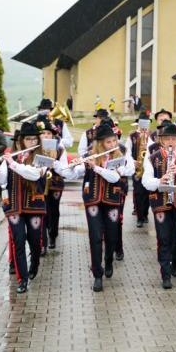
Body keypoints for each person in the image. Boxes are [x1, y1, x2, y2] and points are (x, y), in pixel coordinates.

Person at [56, 124, 135, 292]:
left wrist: (97, 167)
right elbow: (72, 174)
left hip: (112, 200)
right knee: (95, 236)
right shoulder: (88, 156)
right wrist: (70, 167)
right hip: (92, 200)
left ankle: (108, 261)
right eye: (109, 142)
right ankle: (97, 274)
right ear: (100, 144)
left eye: (114, 141)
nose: (113, 144)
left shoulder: (119, 157)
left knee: (112, 236)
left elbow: (114, 177)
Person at [0, 122, 48, 294]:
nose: (30, 142)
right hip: (14, 206)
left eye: (33, 139)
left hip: (34, 205)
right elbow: (2, 181)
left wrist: (12, 164)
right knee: (18, 241)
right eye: (27, 139)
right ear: (21, 140)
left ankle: (34, 263)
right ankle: (22, 280)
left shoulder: (43, 157)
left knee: (35, 242)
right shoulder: (12, 156)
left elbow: (34, 174)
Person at [141, 123, 176, 289]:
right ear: (162, 141)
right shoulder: (154, 157)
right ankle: (165, 274)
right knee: (164, 238)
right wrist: (160, 180)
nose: (171, 142)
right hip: (161, 203)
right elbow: (146, 181)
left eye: (174, 138)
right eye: (167, 139)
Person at [36, 118, 68, 251]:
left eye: (48, 134)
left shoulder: (60, 149)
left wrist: (53, 163)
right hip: (40, 182)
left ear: (53, 135)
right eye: (43, 133)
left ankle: (52, 235)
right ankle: (42, 240)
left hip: (55, 183)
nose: (46, 136)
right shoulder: (36, 148)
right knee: (42, 210)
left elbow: (64, 168)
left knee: (53, 210)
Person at [129, 112, 152, 227]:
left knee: (147, 193)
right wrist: (133, 162)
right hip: (137, 168)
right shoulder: (132, 136)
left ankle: (145, 214)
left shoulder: (152, 136)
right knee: (138, 193)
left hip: (148, 168)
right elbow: (127, 152)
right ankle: (139, 217)